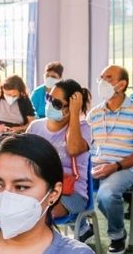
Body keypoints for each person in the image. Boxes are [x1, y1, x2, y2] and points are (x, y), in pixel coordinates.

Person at [87, 65, 133, 254]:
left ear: (122, 84)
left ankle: (117, 236)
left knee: (106, 195)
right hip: (96, 165)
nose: (102, 82)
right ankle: (84, 228)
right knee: (64, 185)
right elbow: (87, 146)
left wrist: (114, 166)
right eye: (101, 77)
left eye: (108, 77)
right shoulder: (95, 113)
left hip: (125, 167)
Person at [26, 79, 92, 223]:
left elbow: (73, 149)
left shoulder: (84, 128)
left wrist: (75, 115)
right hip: (39, 188)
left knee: (38, 216)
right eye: (49, 98)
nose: (49, 104)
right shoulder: (35, 127)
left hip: (71, 192)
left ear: (71, 107)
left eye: (56, 103)